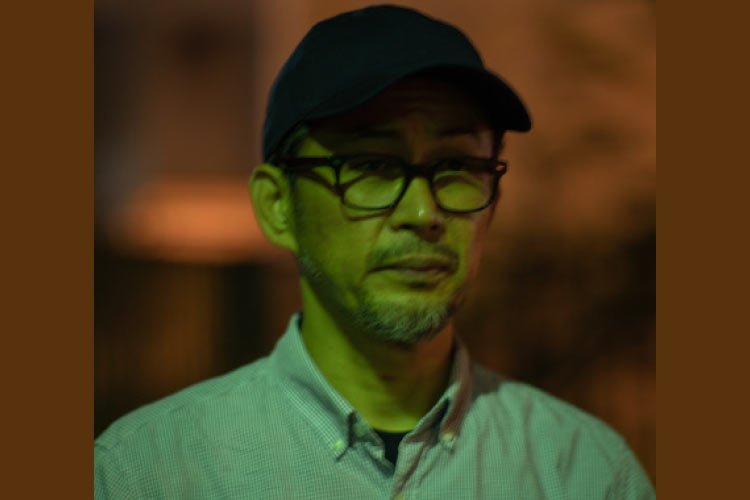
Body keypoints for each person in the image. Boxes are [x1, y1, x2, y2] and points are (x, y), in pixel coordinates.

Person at [94, 5, 655, 499]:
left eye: (457, 167)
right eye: (371, 167)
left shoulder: (583, 473)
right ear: (277, 207)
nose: (423, 213)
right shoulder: (148, 474)